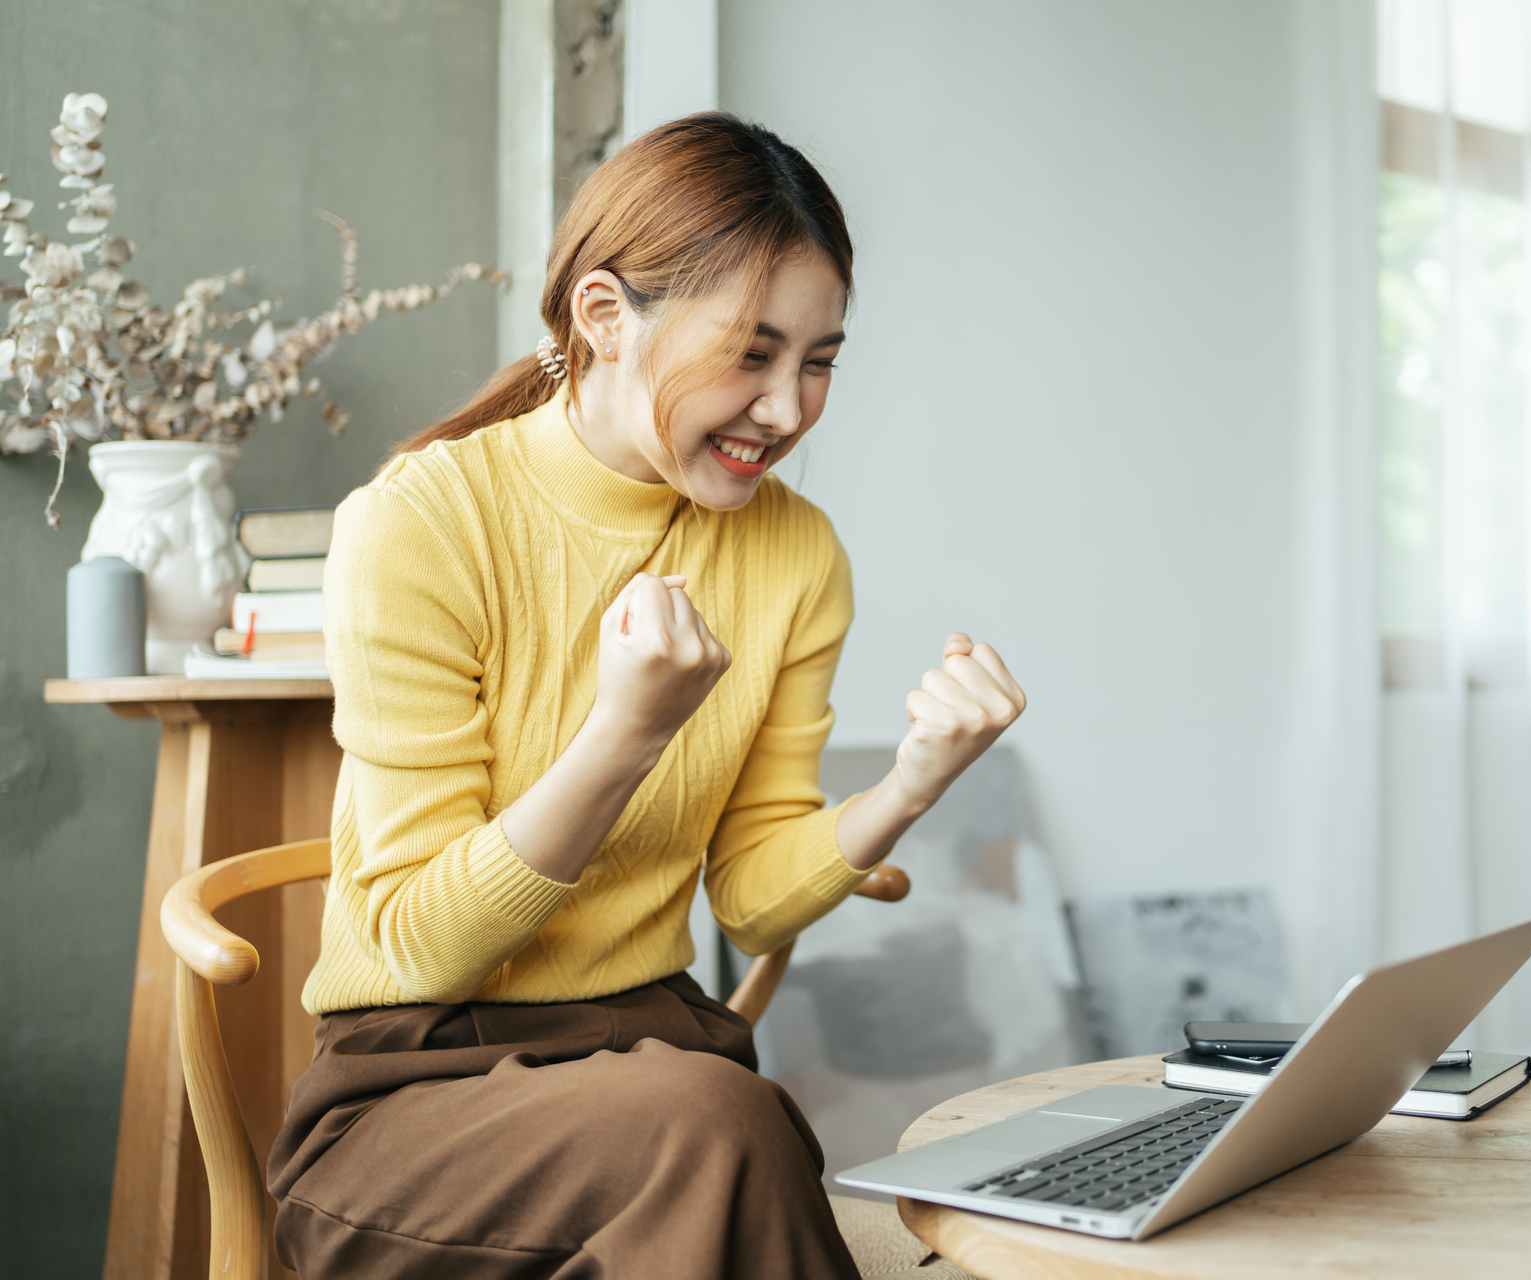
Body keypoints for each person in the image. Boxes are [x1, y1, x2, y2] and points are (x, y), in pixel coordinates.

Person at [265, 112, 1026, 1280]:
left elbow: (756, 900)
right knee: (724, 1127)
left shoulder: (795, 554)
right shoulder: (420, 522)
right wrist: (624, 733)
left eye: (818, 360)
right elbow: (417, 943)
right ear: (604, 317)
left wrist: (915, 777)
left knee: (718, 1121)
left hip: (653, 1048)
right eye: (751, 353)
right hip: (413, 1091)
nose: (786, 410)